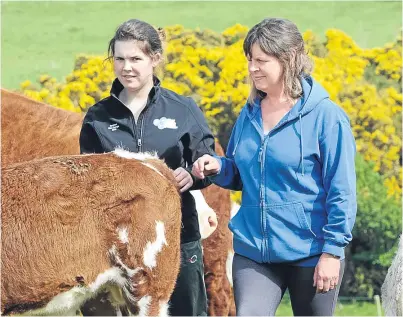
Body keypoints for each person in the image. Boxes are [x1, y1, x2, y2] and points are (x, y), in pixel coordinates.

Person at [192, 17, 357, 316]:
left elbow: (342, 191)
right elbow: (241, 173)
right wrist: (218, 166)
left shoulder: (326, 117)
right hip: (254, 252)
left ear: (290, 59)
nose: (252, 68)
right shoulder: (250, 113)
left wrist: (332, 252)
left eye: (261, 60)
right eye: (250, 60)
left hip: (312, 253)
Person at [79, 18, 214, 316]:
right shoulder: (98, 117)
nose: (126, 67)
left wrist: (192, 175)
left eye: (135, 59)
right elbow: (88, 184)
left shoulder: (183, 109)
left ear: (154, 59)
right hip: (115, 250)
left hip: (178, 239)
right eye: (119, 59)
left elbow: (206, 161)